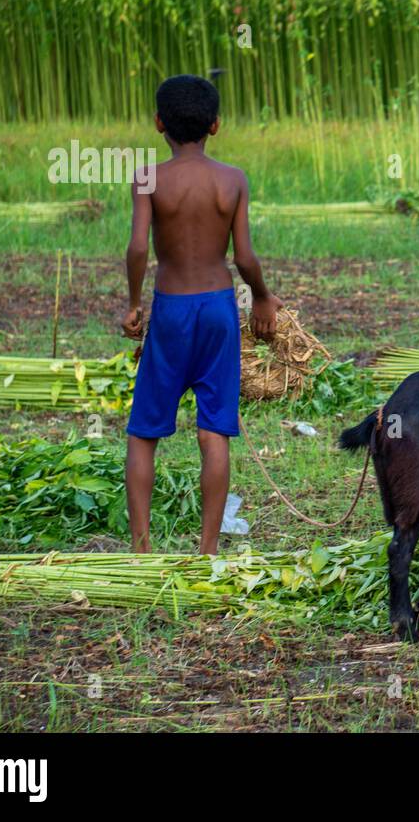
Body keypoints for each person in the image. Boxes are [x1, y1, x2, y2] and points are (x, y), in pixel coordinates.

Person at [121, 74, 281, 554]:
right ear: (215, 125)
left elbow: (136, 247)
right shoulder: (232, 179)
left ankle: (142, 549)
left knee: (143, 432)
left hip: (170, 309)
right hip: (217, 309)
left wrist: (134, 304)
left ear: (157, 124)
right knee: (214, 430)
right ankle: (207, 550)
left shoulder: (148, 177)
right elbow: (245, 257)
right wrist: (263, 296)